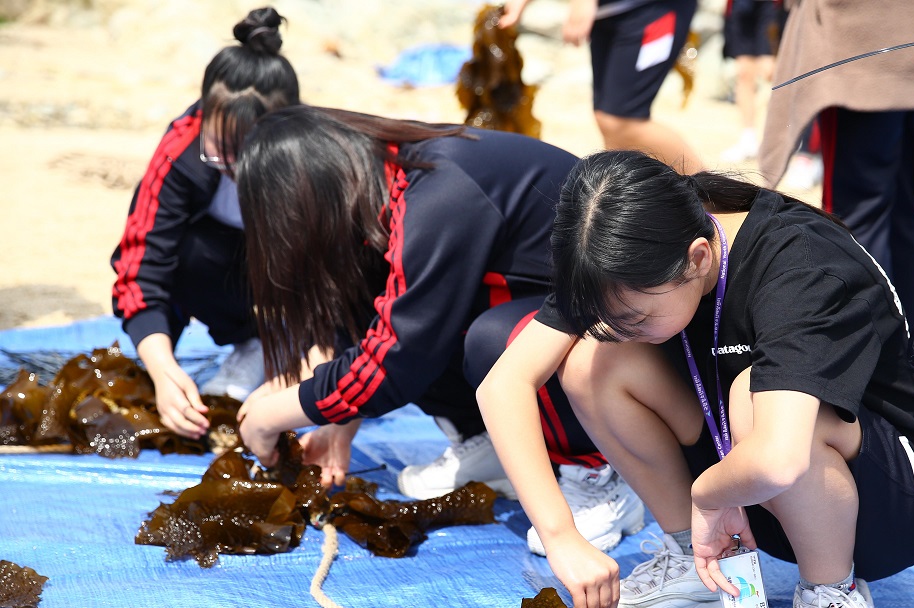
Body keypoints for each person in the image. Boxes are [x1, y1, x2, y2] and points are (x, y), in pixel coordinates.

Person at [478, 150, 914, 608]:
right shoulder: (635, 242)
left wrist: (709, 493)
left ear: (697, 257)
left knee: (753, 394)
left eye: (637, 318)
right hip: (747, 481)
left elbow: (781, 456)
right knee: (596, 361)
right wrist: (561, 535)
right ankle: (696, 562)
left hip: (888, 497)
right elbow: (503, 385)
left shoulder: (799, 263)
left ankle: (833, 595)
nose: (625, 328)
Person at [233, 105, 644, 555]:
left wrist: (270, 416)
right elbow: (381, 319)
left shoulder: (438, 191)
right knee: (415, 311)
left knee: (493, 341)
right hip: (541, 299)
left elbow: (396, 360)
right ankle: (483, 440)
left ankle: (599, 473)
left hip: (620, 320)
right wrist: (338, 422)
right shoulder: (387, 177)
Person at [111, 7, 299, 438]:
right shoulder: (182, 148)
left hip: (284, 282)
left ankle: (278, 350)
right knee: (183, 251)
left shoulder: (307, 154)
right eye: (219, 152)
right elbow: (141, 265)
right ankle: (248, 342)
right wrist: (162, 370)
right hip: (218, 272)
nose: (233, 167)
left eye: (248, 155)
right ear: (203, 122)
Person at [758, 0, 914, 330]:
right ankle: (911, 348)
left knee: (856, 218)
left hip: (861, 44)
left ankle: (876, 354)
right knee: (902, 210)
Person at [498, 0, 703, 174]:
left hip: (652, 9)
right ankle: (632, 199)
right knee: (606, 118)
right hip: (609, 13)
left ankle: (714, 194)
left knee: (623, 119)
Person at [718, 0, 786, 163]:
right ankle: (748, 138)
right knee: (744, 73)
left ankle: (781, 143)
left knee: (772, 71)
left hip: (772, 5)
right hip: (741, 6)